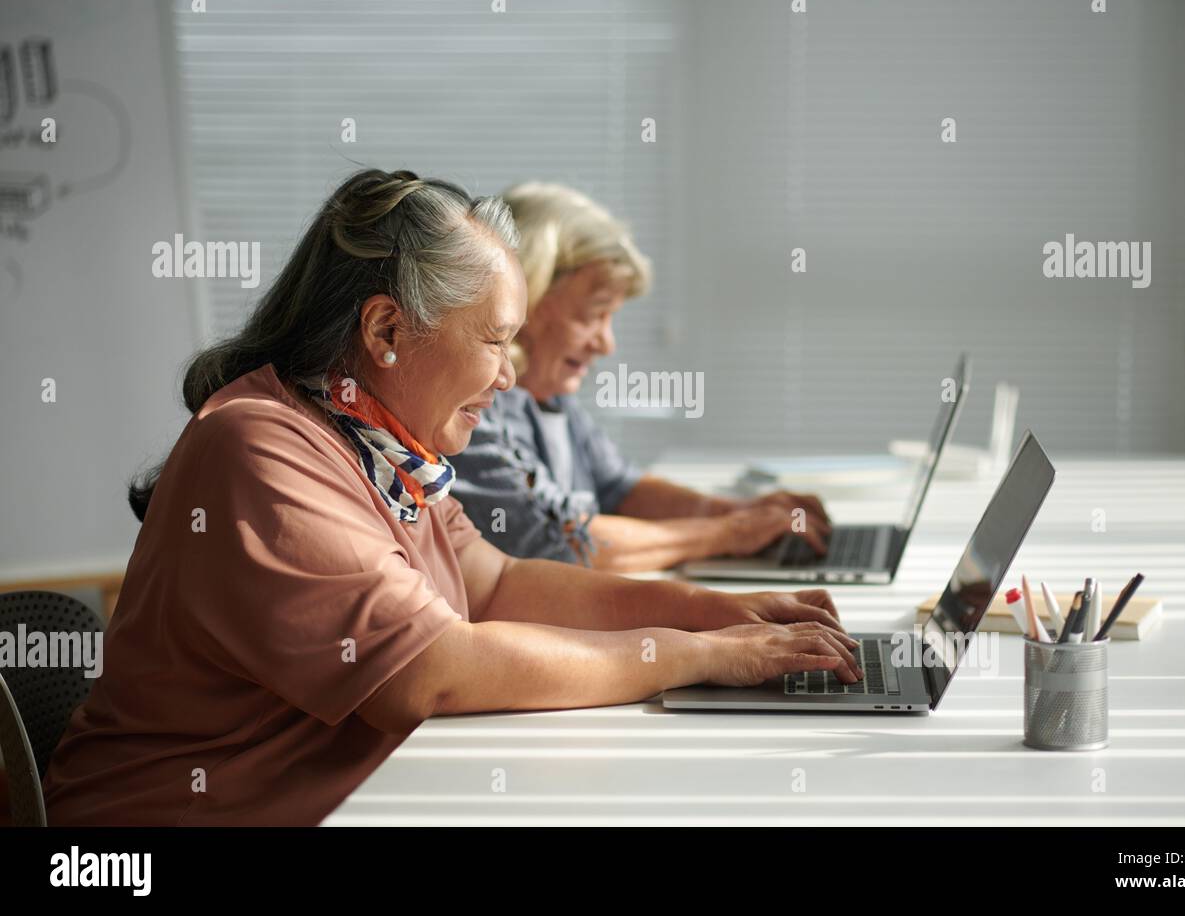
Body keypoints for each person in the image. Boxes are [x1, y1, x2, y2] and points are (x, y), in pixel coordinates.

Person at [40, 169, 862, 826]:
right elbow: (426, 671)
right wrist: (698, 657)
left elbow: (497, 582)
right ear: (388, 332)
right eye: (496, 340)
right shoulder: (257, 446)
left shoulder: (377, 442)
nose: (508, 377)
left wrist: (710, 613)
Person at [449, 182, 831, 572]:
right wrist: (729, 532)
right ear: (523, 295)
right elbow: (558, 541)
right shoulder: (473, 408)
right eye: (593, 315)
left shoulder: (550, 398)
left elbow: (620, 488)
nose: (606, 344)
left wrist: (739, 512)